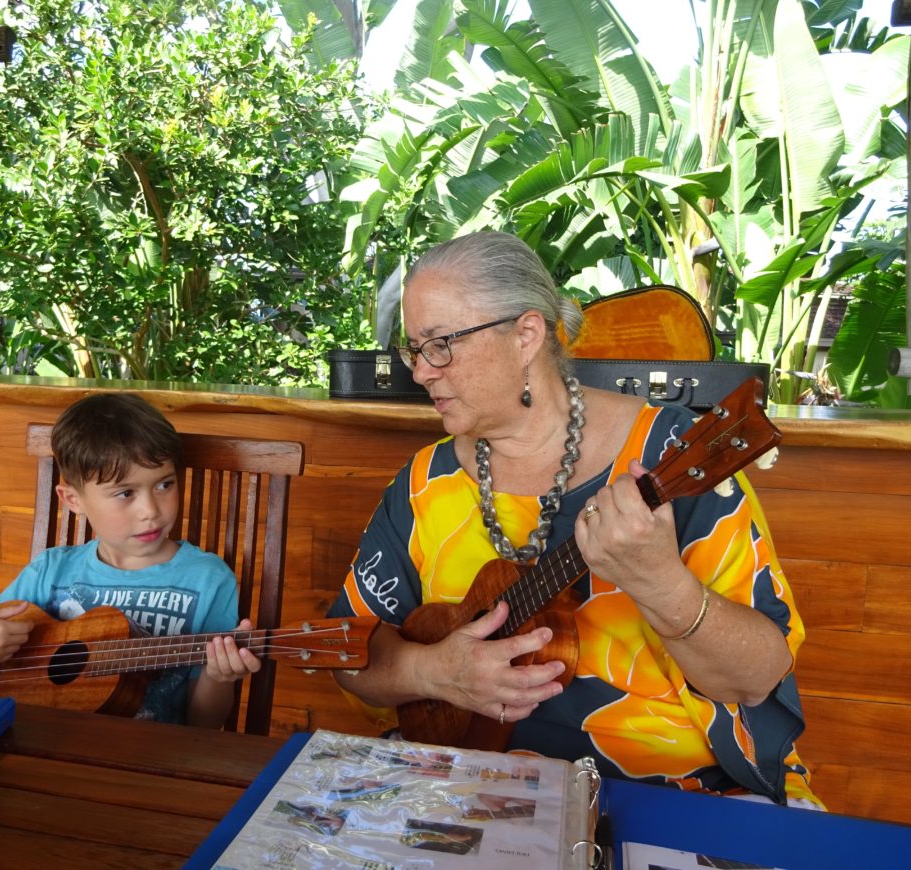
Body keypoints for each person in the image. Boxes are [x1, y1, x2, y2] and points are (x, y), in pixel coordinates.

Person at [327, 230, 819, 806]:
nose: (421, 371)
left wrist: (662, 584)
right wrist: (434, 673)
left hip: (679, 791)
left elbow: (758, 677)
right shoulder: (423, 484)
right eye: (414, 349)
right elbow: (345, 650)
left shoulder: (669, 455)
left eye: (440, 344)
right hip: (471, 784)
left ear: (526, 335)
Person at [0, 392, 259, 728]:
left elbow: (204, 724)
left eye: (164, 485)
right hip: (37, 747)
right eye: (125, 493)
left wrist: (219, 677)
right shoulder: (50, 571)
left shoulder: (208, 579)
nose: (151, 511)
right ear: (73, 500)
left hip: (151, 763)